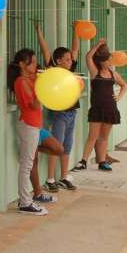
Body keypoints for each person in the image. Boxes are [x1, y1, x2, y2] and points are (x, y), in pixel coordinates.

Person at [36, 22, 79, 191]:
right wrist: (39, 31)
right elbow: (45, 50)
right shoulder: (52, 69)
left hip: (72, 112)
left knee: (67, 145)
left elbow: (75, 49)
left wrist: (75, 30)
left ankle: (63, 177)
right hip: (58, 114)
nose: (70, 61)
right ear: (58, 60)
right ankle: (50, 179)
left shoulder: (70, 69)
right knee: (56, 145)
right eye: (67, 59)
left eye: (70, 59)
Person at [73, 39, 127, 172]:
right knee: (92, 137)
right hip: (97, 110)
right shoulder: (94, 72)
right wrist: (97, 45)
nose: (110, 62)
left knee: (104, 138)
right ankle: (83, 161)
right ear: (102, 61)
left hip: (110, 109)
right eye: (108, 60)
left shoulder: (113, 73)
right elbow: (88, 56)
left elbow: (124, 85)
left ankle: (102, 161)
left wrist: (119, 97)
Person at [8, 48, 48, 216]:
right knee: (27, 165)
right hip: (28, 125)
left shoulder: (29, 79)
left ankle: (26, 199)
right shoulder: (21, 82)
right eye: (32, 62)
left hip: (33, 125)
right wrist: (40, 86)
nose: (35, 65)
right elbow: (34, 105)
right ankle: (25, 202)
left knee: (29, 163)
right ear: (22, 65)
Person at [30, 129, 63, 203]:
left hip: (38, 128)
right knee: (33, 161)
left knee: (59, 149)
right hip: (29, 127)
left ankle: (34, 148)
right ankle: (37, 194)